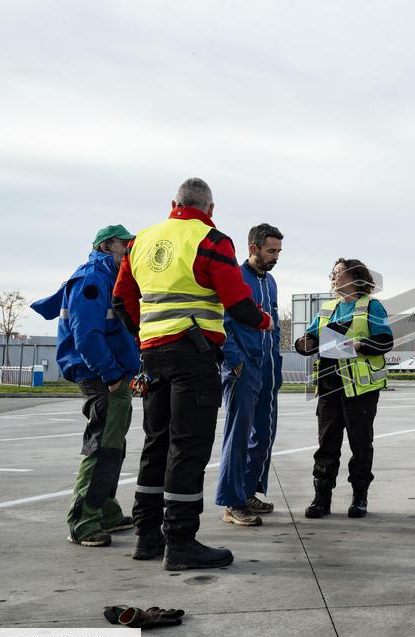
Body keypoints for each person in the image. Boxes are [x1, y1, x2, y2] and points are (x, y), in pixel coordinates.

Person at [113, 177, 272, 570]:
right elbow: (237, 302)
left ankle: (147, 535)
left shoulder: (140, 241)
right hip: (194, 355)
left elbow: (121, 299)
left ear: (174, 204)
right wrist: (264, 321)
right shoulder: (213, 241)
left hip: (152, 355)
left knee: (156, 444)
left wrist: (145, 333)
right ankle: (181, 542)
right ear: (210, 209)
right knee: (188, 447)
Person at [31, 225, 140, 547]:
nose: (130, 252)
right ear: (106, 247)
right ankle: (83, 522)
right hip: (103, 377)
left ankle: (105, 511)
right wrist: (111, 375)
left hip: (113, 374)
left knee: (113, 447)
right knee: (103, 447)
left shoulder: (110, 277)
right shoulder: (93, 279)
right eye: (125, 246)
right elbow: (87, 336)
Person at [294, 258, 393, 519]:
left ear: (355, 276)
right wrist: (303, 343)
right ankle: (321, 498)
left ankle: (359, 497)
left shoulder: (371, 306)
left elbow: (385, 341)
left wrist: (359, 345)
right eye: (332, 273)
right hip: (328, 387)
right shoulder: (327, 308)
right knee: (326, 444)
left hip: (360, 391)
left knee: (361, 445)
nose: (333, 277)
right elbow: (311, 338)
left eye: (338, 272)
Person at [215, 224, 284, 527]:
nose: (276, 257)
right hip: (243, 366)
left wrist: (276, 362)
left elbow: (274, 324)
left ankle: (247, 491)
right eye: (271, 251)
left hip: (267, 367)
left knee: (264, 434)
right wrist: (233, 361)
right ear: (253, 248)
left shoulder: (271, 282)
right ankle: (232, 502)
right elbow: (221, 322)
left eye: (279, 251)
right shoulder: (235, 278)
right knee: (238, 435)